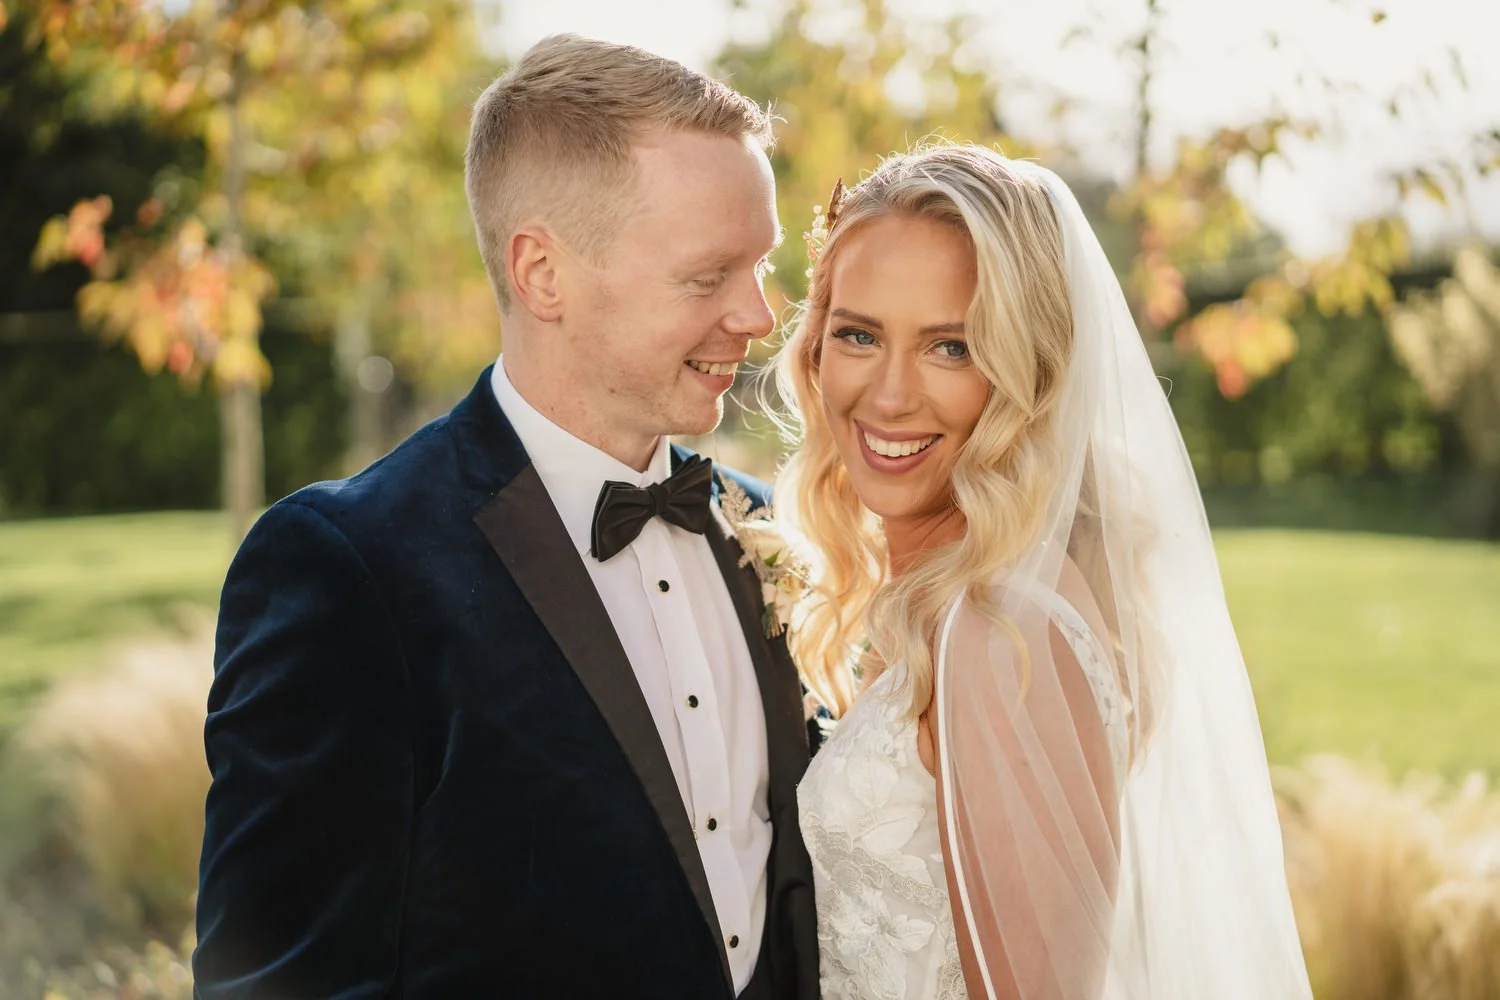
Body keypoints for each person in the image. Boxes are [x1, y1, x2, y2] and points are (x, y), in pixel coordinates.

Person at [194, 34, 818, 999]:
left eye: (763, 265)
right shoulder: (350, 568)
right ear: (542, 274)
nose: (759, 314)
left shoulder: (766, 530)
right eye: (708, 277)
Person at [777, 142, 1313, 999]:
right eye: (858, 334)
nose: (887, 394)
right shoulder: (956, 600)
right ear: (815, 347)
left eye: (951, 347)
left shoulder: (997, 635)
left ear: (1030, 369)